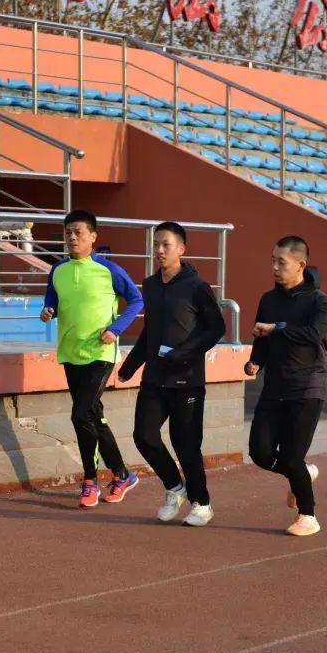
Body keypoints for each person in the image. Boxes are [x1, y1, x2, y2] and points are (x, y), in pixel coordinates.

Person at [118, 222, 225, 527]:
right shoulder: (151, 285)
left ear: (181, 249)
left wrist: (185, 353)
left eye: (166, 244)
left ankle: (202, 504)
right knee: (144, 436)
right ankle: (175, 488)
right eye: (156, 245)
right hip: (155, 378)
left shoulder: (197, 286)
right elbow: (150, 330)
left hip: (187, 379)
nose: (160, 250)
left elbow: (216, 328)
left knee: (185, 444)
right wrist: (130, 365)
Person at [41, 210, 144, 508]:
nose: (72, 237)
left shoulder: (108, 269)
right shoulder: (58, 270)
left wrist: (116, 329)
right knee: (93, 416)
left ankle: (90, 480)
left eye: (78, 232)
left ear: (93, 237)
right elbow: (52, 301)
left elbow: (136, 299)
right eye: (68, 232)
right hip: (70, 352)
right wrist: (48, 311)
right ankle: (122, 475)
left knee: (79, 414)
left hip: (100, 353)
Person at [244, 235, 327, 536]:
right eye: (272, 261)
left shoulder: (318, 301)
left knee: (292, 456)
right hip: (275, 387)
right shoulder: (268, 300)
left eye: (281, 262)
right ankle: (302, 474)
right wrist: (256, 361)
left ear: (300, 265)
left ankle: (308, 515)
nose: (274, 267)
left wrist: (276, 328)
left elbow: (314, 334)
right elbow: (262, 337)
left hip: (307, 387)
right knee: (260, 452)